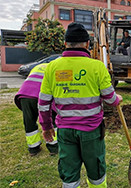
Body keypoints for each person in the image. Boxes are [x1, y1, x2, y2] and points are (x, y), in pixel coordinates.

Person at [38, 22, 122, 187]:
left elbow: (43, 103)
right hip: (91, 130)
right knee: (96, 172)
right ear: (87, 44)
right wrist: (118, 99)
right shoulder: (97, 66)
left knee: (69, 174)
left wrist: (46, 126)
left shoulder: (52, 67)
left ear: (65, 44)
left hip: (65, 131)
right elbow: (111, 100)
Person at [14, 63, 58, 156]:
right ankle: (53, 147)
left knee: (29, 121)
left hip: (25, 94)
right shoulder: (55, 68)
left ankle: (33, 148)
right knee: (52, 120)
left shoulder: (38, 66)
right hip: (42, 95)